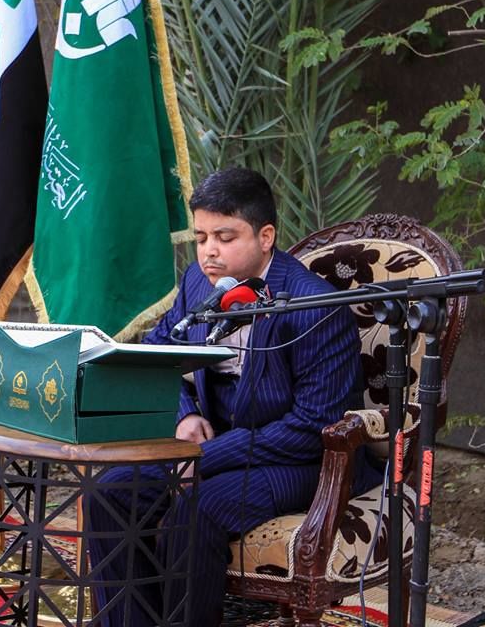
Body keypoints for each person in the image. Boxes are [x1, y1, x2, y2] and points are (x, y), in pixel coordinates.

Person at [86, 168, 385, 626]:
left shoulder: (314, 307)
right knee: (109, 494)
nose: (209, 250)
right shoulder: (197, 283)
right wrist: (185, 414)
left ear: (265, 237)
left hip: (301, 462)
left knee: (196, 510)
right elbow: (157, 354)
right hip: (216, 446)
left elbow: (312, 429)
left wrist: (203, 457)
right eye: (201, 237)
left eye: (225, 237)